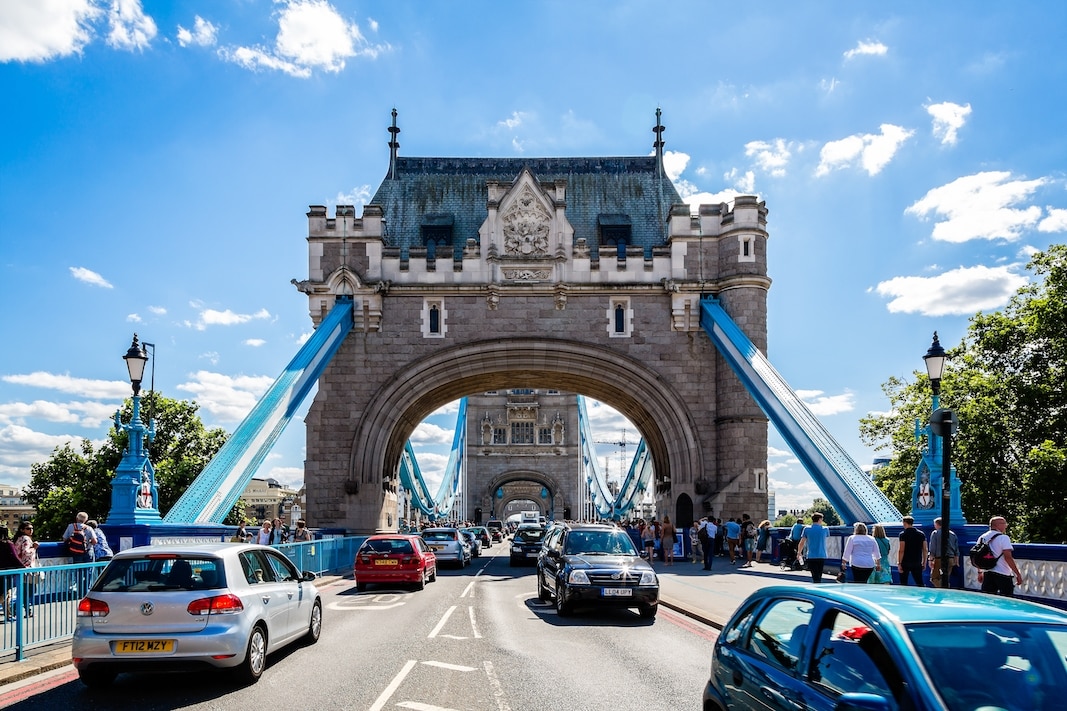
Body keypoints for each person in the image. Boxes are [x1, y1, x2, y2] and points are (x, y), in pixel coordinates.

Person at [977, 516, 1024, 597]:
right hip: (1003, 573)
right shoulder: (1003, 538)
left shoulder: (982, 537)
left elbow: (978, 556)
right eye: (1004, 523)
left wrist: (979, 572)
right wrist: (1017, 574)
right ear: (997, 525)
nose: (1006, 526)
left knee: (988, 600)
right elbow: (1008, 557)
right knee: (1007, 600)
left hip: (987, 573)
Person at [13, 521, 39, 617]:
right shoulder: (26, 539)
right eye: (28, 529)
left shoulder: (18, 538)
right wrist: (34, 548)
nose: (31, 530)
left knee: (23, 590)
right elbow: (26, 552)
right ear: (22, 530)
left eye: (31, 528)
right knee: (29, 591)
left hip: (20, 567)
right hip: (27, 567)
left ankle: (17, 609)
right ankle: (25, 610)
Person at [0, 527, 27, 621]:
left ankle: (8, 615)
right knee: (5, 595)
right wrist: (23, 568)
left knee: (7, 594)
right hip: (7, 573)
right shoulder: (8, 544)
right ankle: (8, 615)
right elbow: (14, 557)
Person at [928, 516, 959, 588]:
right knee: (946, 578)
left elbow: (932, 548)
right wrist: (956, 560)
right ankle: (945, 588)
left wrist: (930, 559)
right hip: (950, 558)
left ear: (937, 524)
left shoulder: (935, 533)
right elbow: (956, 549)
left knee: (934, 578)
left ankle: (944, 590)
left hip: (939, 559)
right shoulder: (952, 534)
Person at [897, 516, 928, 586]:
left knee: (903, 582)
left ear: (904, 523)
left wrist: (899, 563)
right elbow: (925, 549)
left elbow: (901, 550)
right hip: (917, 561)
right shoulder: (921, 534)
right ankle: (924, 595)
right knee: (919, 582)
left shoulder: (903, 534)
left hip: (905, 561)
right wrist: (924, 562)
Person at [797, 512, 828, 582]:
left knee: (815, 575)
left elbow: (802, 542)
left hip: (811, 555)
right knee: (819, 574)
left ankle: (816, 587)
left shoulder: (806, 529)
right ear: (819, 519)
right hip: (822, 555)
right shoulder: (825, 529)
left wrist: (799, 552)